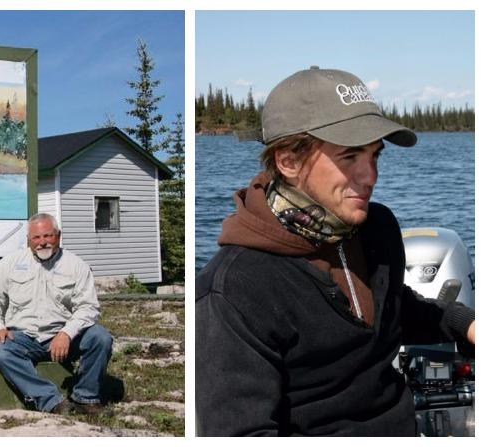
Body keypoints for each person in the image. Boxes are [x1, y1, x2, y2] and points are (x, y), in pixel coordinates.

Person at [195, 66, 476, 436]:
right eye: (349, 157)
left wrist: (466, 324)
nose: (370, 175)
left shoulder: (375, 228)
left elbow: (394, 305)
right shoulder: (234, 288)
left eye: (375, 156)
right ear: (289, 161)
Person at [0, 213, 113, 415]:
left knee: (100, 337)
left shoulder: (76, 265)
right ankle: (52, 402)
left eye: (48, 236)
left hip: (63, 337)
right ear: (29, 240)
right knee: (1, 352)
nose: (43, 242)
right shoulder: (9, 263)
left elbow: (88, 307)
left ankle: (85, 398)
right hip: (24, 337)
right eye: (37, 238)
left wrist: (67, 333)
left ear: (58, 236)